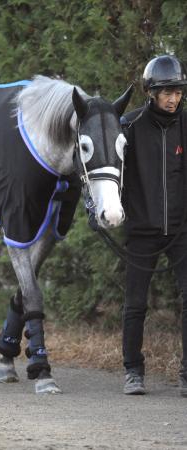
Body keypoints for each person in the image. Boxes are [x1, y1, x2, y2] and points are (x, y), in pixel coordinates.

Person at [121, 54, 187, 396]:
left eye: (177, 90)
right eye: (166, 91)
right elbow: (107, 174)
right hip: (141, 231)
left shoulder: (185, 125)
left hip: (180, 231)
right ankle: (133, 370)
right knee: (135, 303)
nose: (173, 98)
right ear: (151, 92)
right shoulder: (128, 127)